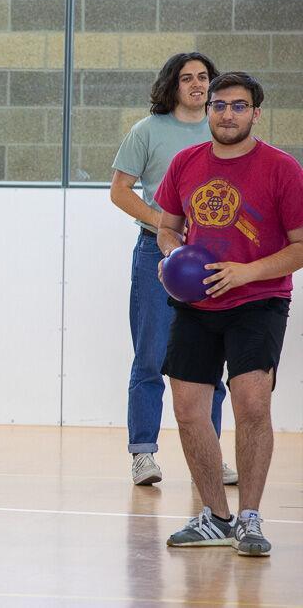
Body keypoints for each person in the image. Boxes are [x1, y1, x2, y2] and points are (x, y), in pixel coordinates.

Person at [155, 72, 303, 556]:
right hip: (195, 305)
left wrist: (246, 273)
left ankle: (250, 519)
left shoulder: (282, 169)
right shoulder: (185, 163)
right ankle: (216, 518)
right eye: (220, 106)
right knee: (187, 409)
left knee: (252, 405)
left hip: (258, 302)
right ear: (209, 110)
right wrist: (171, 260)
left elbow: (300, 247)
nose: (227, 114)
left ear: (256, 113)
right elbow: (168, 228)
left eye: (239, 107)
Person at [110, 52, 238, 486]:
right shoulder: (146, 132)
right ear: (173, 85)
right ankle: (143, 454)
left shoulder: (223, 131)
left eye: (205, 77)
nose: (198, 84)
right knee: (150, 356)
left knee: (210, 360)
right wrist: (164, 227)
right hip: (157, 256)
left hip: (214, 261)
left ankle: (213, 455)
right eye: (188, 78)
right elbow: (120, 191)